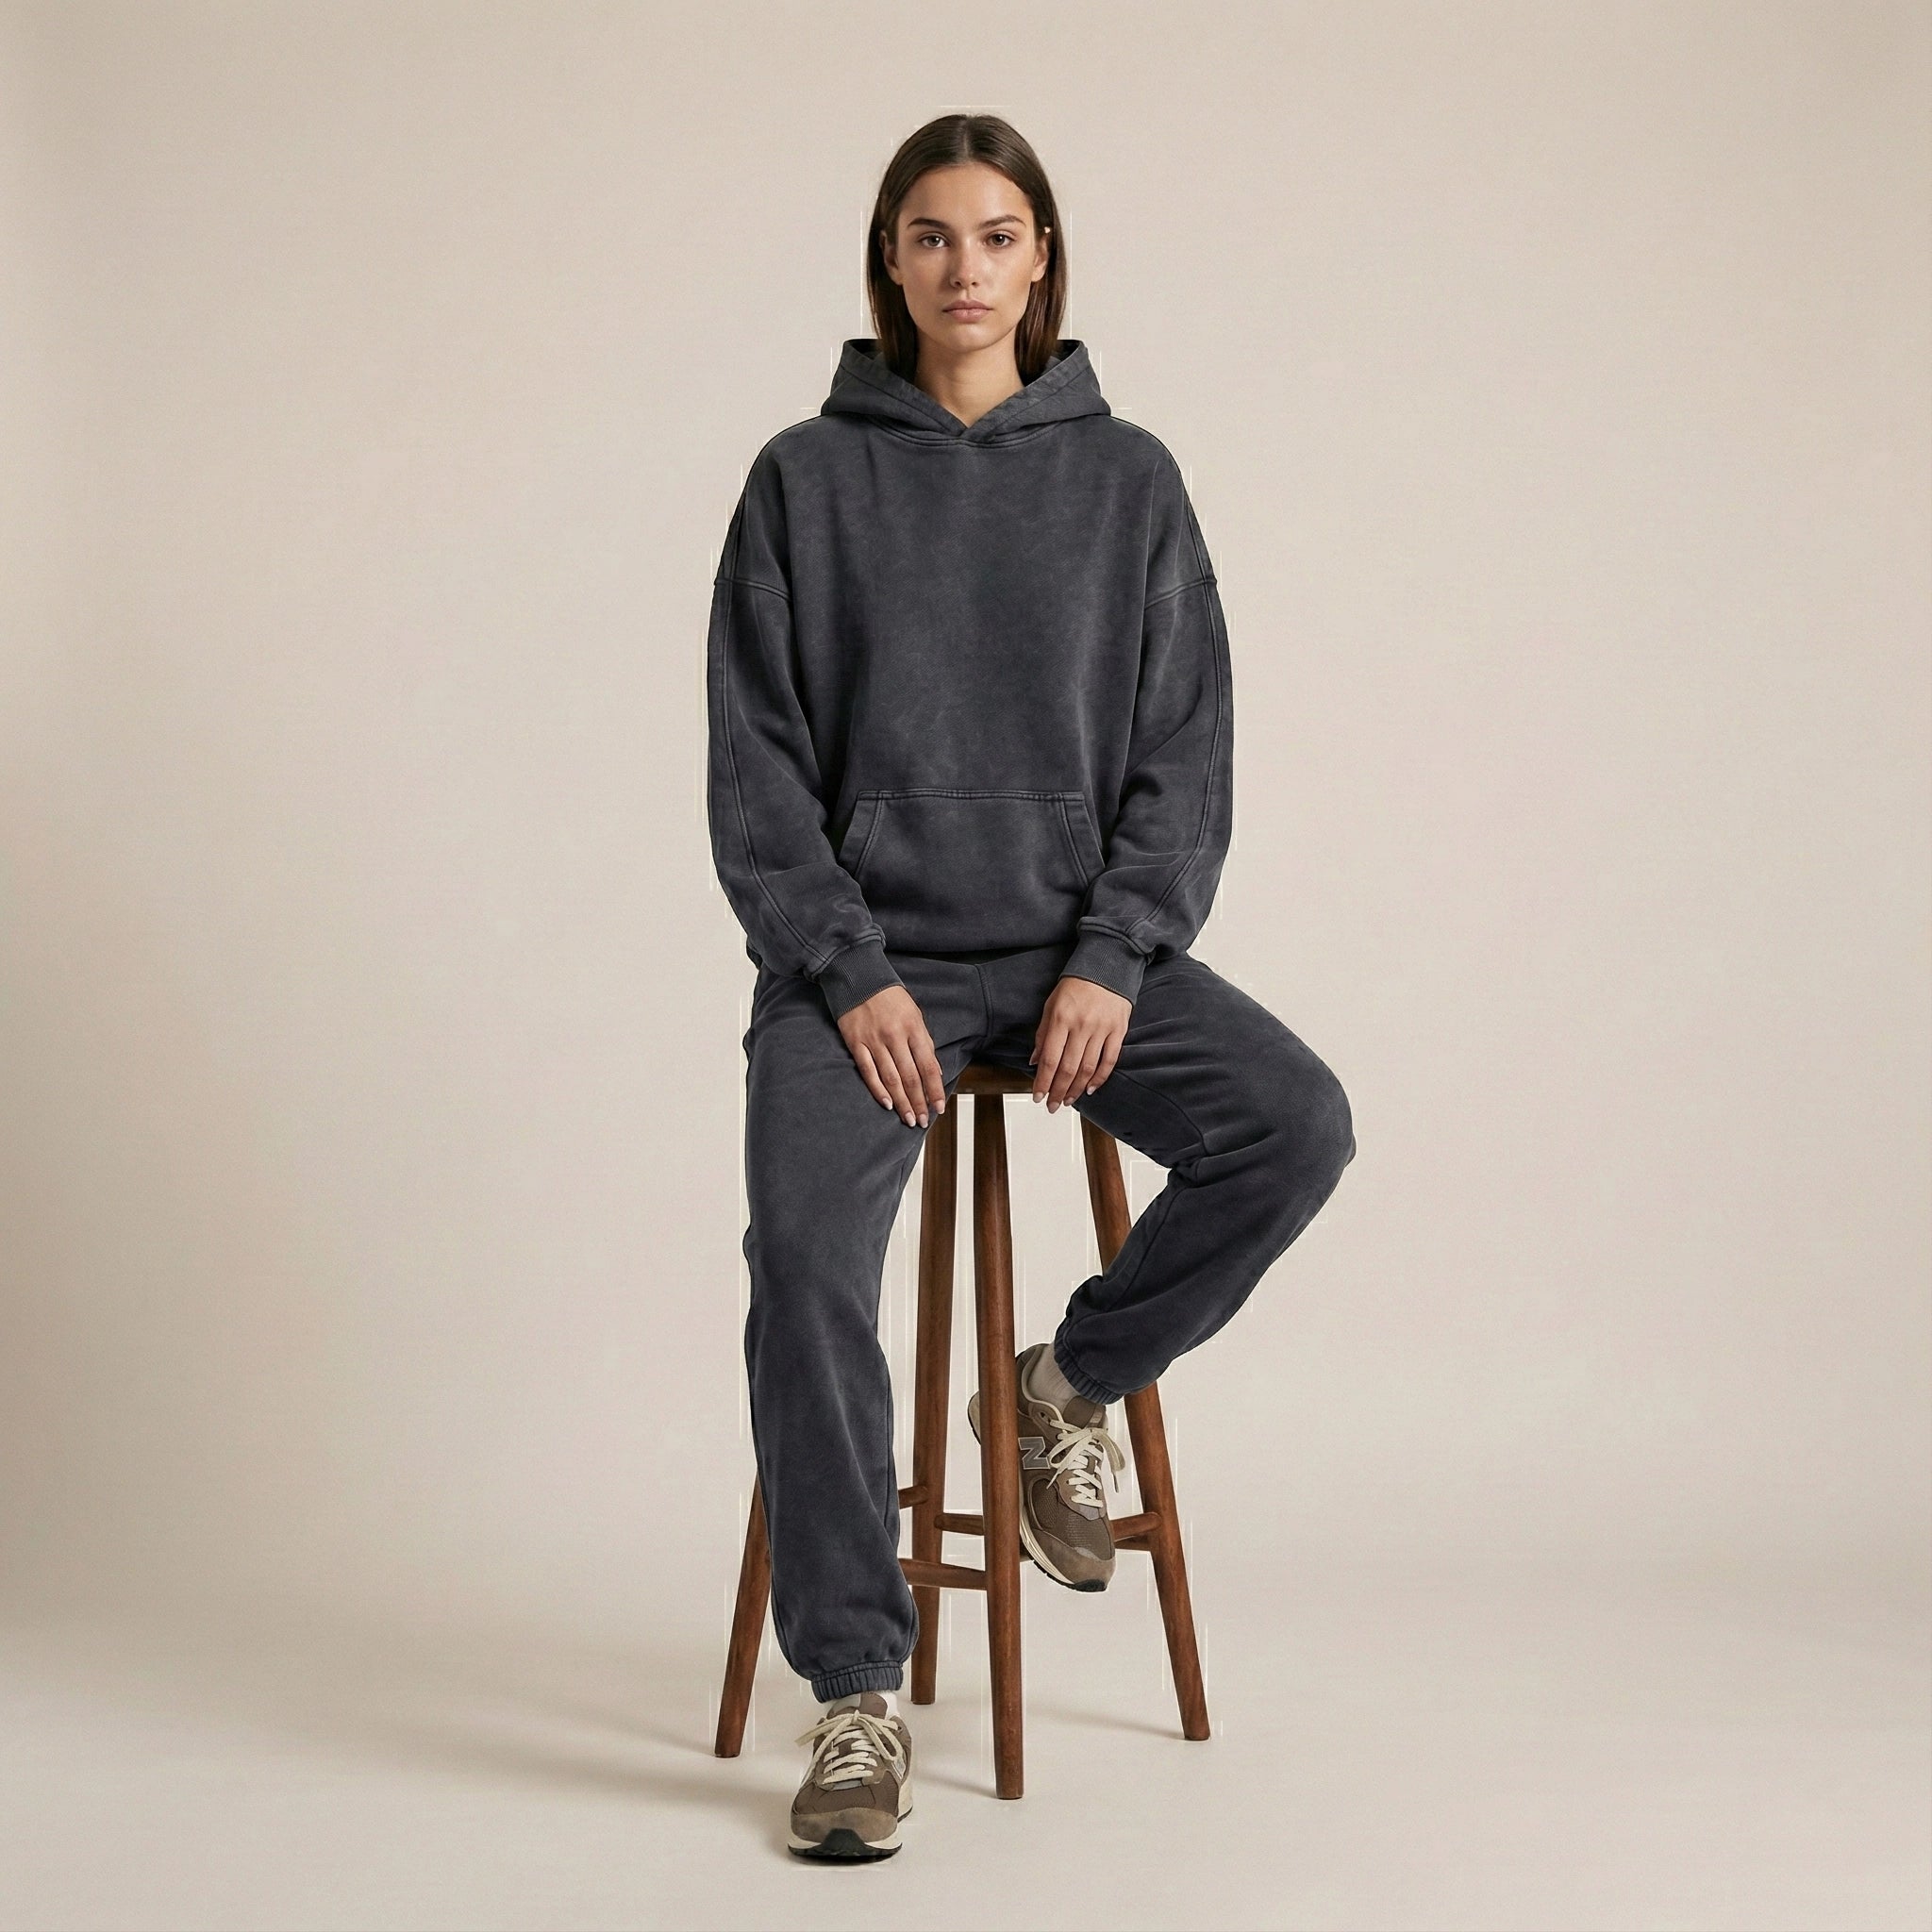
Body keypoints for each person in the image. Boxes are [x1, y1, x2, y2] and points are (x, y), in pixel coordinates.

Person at [705, 112, 1357, 1861]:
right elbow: (756, 775)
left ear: (1042, 260)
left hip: (1074, 959)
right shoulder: (801, 479)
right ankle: (854, 1695)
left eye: (997, 237)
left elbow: (1185, 757)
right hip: (865, 977)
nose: (965, 269)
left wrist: (1117, 956)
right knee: (803, 1261)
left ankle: (1059, 1388)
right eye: (931, 237)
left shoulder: (1127, 479)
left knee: (1295, 1126)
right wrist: (845, 975)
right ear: (891, 262)